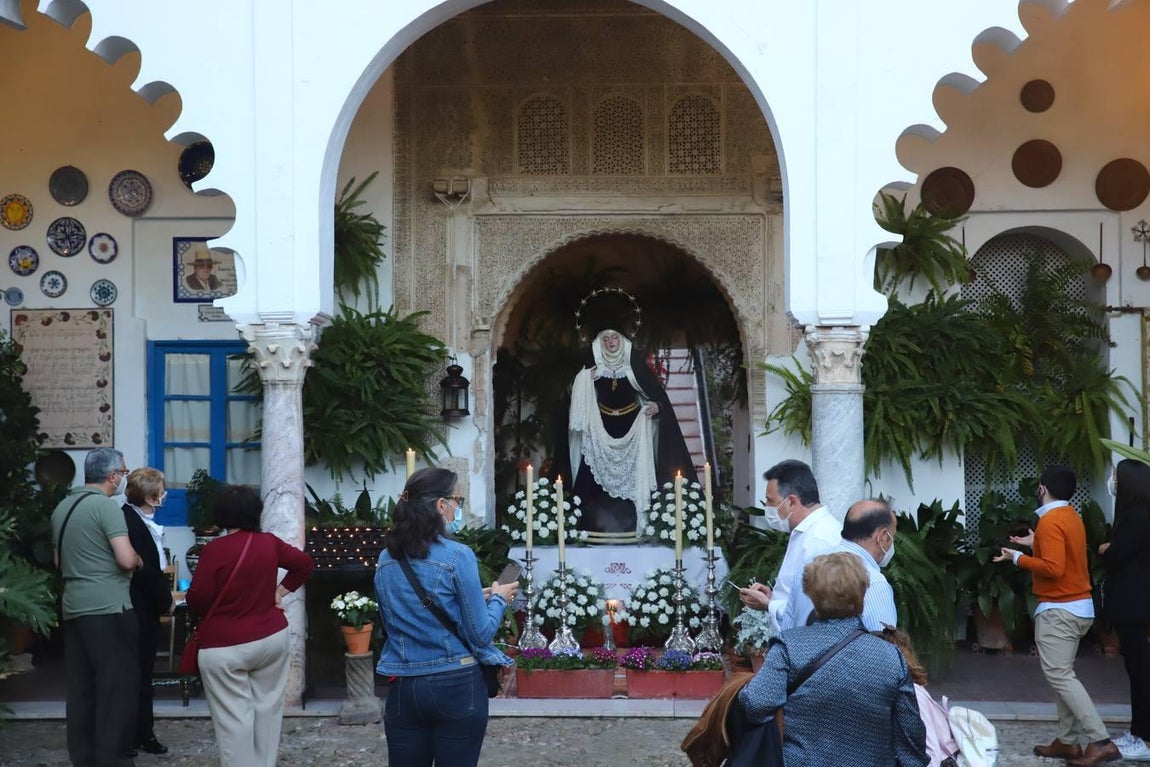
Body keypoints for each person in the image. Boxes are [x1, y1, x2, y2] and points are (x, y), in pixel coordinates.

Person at [374, 467, 519, 767]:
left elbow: (397, 619)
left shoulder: (386, 559)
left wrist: (477, 596)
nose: (458, 507)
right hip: (456, 683)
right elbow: (480, 634)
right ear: (441, 505)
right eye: (457, 499)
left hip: (404, 685)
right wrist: (499, 601)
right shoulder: (457, 555)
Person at [737, 552, 929, 767]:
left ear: (812, 595)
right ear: (862, 592)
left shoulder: (790, 646)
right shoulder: (891, 657)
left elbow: (756, 704)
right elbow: (910, 735)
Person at [995, 464, 1120, 765]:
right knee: (1061, 675)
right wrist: (1035, 542)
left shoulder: (1051, 522)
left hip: (1059, 610)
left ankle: (1100, 740)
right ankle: (1067, 742)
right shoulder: (1070, 517)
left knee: (1061, 676)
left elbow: (1053, 568)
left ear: (1042, 488)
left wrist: (1018, 558)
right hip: (1078, 607)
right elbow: (1063, 554)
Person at [185, 485, 314, 767]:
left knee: (234, 719)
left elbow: (198, 599)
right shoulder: (269, 542)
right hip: (270, 638)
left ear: (222, 516)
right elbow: (304, 564)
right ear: (256, 513)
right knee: (268, 711)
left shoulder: (214, 550)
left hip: (224, 646)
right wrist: (279, 592)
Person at [50, 447, 142, 767]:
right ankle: (113, 760)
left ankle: (84, 759)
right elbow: (126, 558)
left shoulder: (62, 508)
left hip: (74, 607)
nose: (123, 479)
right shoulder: (106, 507)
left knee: (81, 688)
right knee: (117, 688)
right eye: (124, 473)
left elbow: (58, 561)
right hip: (108, 607)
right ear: (112, 476)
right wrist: (140, 559)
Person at [558, 326, 694, 534]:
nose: (611, 342)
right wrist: (583, 380)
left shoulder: (634, 367)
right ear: (599, 343)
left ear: (622, 341)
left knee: (633, 479)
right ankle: (591, 529)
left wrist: (656, 406)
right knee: (590, 480)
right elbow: (569, 398)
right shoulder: (592, 369)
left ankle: (631, 528)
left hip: (632, 429)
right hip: (599, 430)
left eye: (614, 338)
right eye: (606, 339)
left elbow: (657, 395)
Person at [738, 459, 842, 631]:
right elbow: (798, 595)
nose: (767, 508)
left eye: (771, 501)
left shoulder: (818, 539)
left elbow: (813, 611)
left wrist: (767, 605)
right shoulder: (804, 531)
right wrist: (773, 598)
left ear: (792, 502)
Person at [1098, 459, 1150, 761]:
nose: (1113, 480)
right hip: (1135, 604)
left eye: (1116, 476)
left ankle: (1142, 737)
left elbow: (1119, 555)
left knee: (1140, 671)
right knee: (1137, 670)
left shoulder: (1136, 517)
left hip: (1135, 605)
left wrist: (1107, 549)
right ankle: (1138, 733)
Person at [122, 467, 175, 757]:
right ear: (150, 496)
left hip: (145, 604)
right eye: (161, 490)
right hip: (138, 605)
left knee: (143, 673)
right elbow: (146, 572)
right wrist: (165, 599)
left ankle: (142, 732)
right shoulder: (131, 522)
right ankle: (135, 734)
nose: (164, 494)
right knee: (137, 673)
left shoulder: (142, 519)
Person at [784, 498, 899, 631]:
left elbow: (786, 631)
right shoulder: (874, 583)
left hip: (799, 650)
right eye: (892, 536)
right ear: (883, 536)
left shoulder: (809, 565)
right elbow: (884, 648)